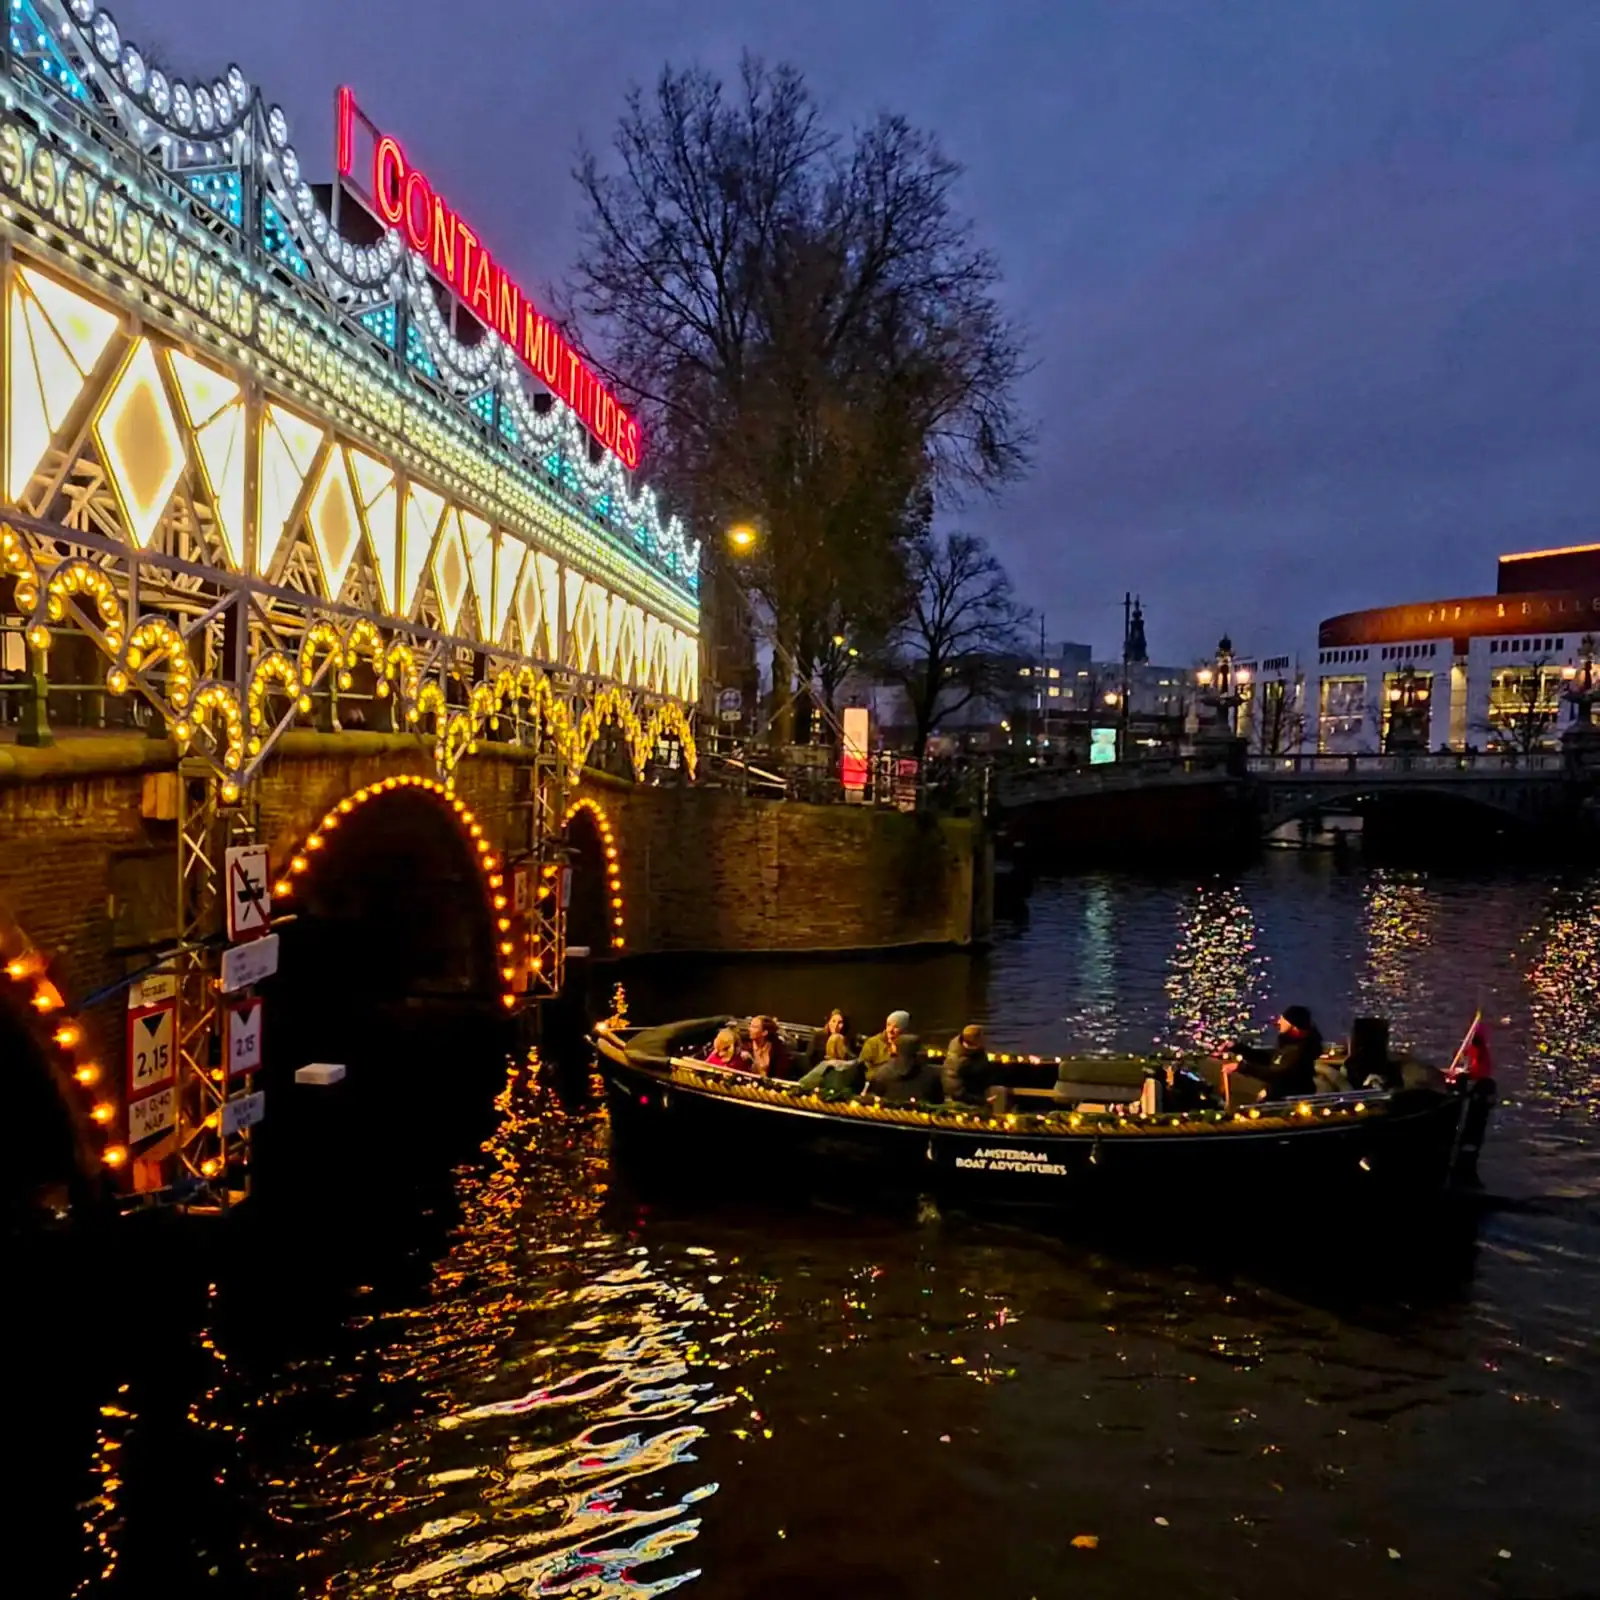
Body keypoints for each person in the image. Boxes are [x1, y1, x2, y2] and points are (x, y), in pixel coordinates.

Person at [1228, 1005, 1323, 1100]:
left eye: (1283, 1020)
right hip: (1281, 1097)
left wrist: (1242, 1067)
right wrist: (1239, 1048)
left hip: (1289, 1102)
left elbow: (1276, 1073)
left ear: (1293, 1024)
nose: (1279, 1022)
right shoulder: (1288, 1046)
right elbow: (1268, 1057)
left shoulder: (1299, 1050)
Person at [867, 1031, 943, 1105]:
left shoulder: (881, 1073)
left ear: (896, 1049)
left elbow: (872, 1099)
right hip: (920, 1115)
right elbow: (938, 1102)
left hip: (886, 1115)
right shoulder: (931, 1075)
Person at [941, 1024, 991, 1105]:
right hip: (965, 1101)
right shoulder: (955, 1062)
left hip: (980, 1089)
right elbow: (956, 1092)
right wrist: (982, 1101)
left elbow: (984, 1068)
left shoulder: (977, 1051)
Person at [859, 1011, 910, 1075]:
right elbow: (862, 1070)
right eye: (888, 1025)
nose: (890, 1030)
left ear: (904, 1029)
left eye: (896, 1027)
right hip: (877, 1082)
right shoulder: (872, 1043)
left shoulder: (908, 1045)